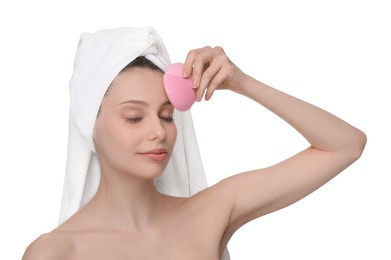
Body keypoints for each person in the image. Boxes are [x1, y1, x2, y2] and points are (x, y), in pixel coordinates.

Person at [22, 26, 366, 260]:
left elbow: (345, 145)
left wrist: (243, 83)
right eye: (133, 117)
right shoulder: (57, 252)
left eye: (167, 115)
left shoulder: (211, 212)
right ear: (89, 124)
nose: (158, 131)